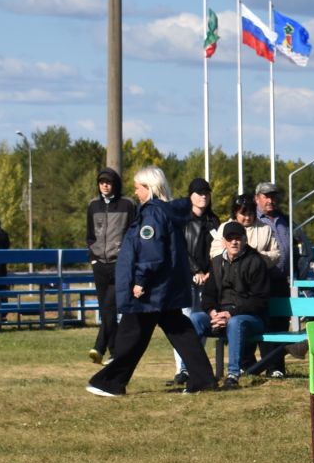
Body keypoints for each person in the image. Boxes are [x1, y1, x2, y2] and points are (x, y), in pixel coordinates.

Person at [85, 168, 217, 397]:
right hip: (164, 287)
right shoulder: (163, 212)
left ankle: (111, 382)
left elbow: (151, 252)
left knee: (131, 334)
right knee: (180, 331)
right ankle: (203, 378)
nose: (135, 192)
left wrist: (140, 281)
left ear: (150, 188)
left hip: (151, 288)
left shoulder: (152, 215)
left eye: (138, 187)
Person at [203, 220, 278, 390]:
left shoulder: (255, 262)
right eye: (230, 239)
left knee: (236, 323)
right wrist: (213, 312)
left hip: (252, 318)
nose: (234, 242)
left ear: (245, 240)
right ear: (224, 242)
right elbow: (208, 295)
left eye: (238, 238)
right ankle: (192, 372)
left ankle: (233, 375)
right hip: (221, 316)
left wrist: (231, 314)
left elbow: (259, 300)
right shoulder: (216, 262)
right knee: (195, 319)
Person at [85, 166, 137, 364]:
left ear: (115, 183)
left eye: (108, 182)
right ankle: (115, 352)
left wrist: (127, 257)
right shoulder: (92, 206)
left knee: (109, 306)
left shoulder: (127, 204)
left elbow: (133, 233)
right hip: (99, 264)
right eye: (101, 182)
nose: (105, 185)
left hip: (120, 264)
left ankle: (99, 346)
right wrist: (93, 257)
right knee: (106, 310)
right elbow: (89, 235)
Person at [172, 179, 221, 386]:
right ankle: (181, 369)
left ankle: (194, 366)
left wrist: (209, 272)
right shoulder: (181, 219)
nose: (203, 196)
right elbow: (179, 247)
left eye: (206, 193)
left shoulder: (214, 221)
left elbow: (219, 249)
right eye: (199, 192)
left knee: (199, 322)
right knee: (183, 322)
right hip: (184, 277)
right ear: (190, 195)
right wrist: (194, 270)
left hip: (208, 280)